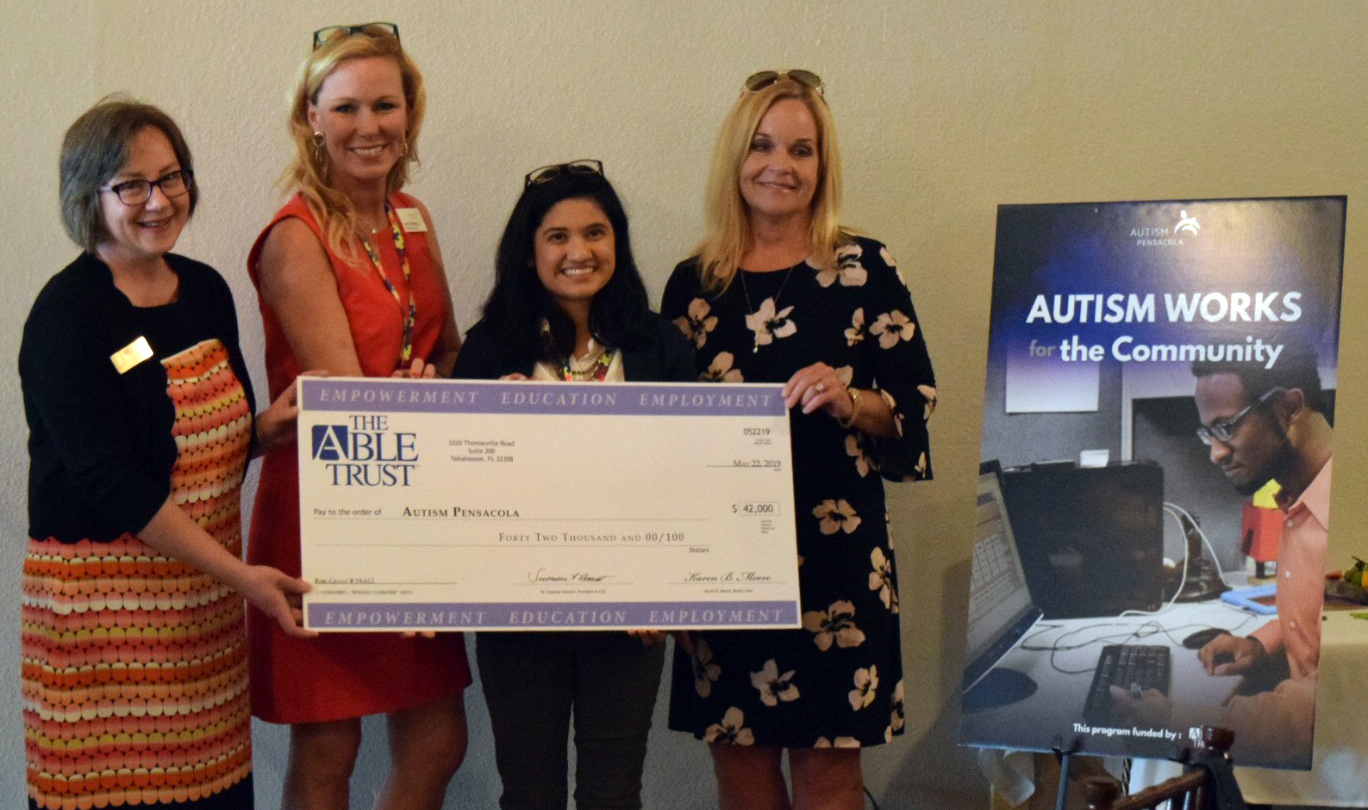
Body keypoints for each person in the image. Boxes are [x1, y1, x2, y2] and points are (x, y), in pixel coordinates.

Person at [20, 98, 313, 810]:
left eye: (172, 176)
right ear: (88, 196)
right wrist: (243, 577)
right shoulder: (67, 314)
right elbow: (112, 479)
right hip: (103, 623)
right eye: (131, 185)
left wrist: (270, 429)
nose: (159, 200)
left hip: (201, 616)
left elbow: (203, 442)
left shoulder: (205, 290)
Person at [661, 71, 937, 810]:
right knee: (742, 776)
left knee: (828, 780)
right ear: (736, 158)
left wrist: (851, 401)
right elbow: (663, 445)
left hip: (838, 564)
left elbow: (914, 404)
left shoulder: (865, 268)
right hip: (724, 568)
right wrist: (673, 586)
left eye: (801, 149)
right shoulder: (693, 285)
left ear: (822, 165)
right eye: (761, 145)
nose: (779, 164)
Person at [245, 23, 469, 810]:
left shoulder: (413, 217)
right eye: (345, 108)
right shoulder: (294, 235)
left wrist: (442, 384)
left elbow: (449, 356)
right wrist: (427, 393)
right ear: (311, 116)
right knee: (330, 740)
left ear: (410, 114)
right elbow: (346, 392)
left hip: (416, 499)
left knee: (440, 738)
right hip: (328, 509)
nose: (368, 125)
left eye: (385, 104)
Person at [452, 161, 694, 810]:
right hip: (518, 616)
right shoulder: (488, 350)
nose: (579, 251)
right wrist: (481, 429)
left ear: (617, 242)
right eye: (557, 236)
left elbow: (690, 478)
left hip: (629, 618)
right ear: (529, 253)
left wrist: (665, 590)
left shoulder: (661, 345)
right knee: (529, 795)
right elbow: (455, 495)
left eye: (596, 232)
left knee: (613, 795)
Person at [1112, 341, 1331, 766]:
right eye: (1207, 432)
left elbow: (1325, 709)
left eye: (1227, 427)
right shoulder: (1299, 501)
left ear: (1289, 408)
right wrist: (1259, 643)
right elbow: (1322, 621)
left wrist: (1176, 721)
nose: (1214, 453)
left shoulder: (1353, 522)